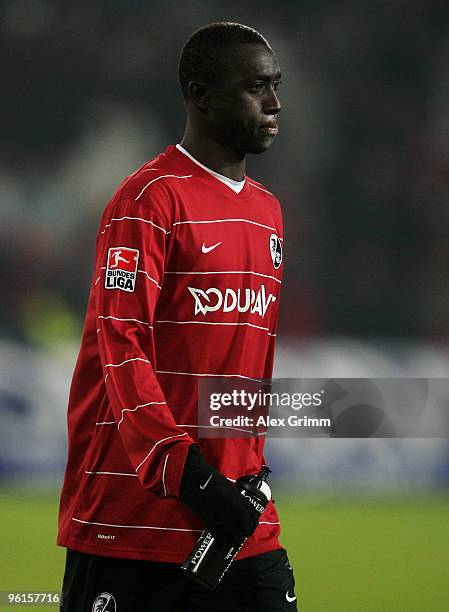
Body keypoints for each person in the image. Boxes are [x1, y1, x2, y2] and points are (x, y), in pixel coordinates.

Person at [57, 21, 298, 611]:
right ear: (201, 94)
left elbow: (246, 366)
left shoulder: (268, 213)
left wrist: (245, 470)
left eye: (276, 85)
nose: (274, 104)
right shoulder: (148, 200)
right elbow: (122, 343)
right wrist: (187, 474)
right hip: (131, 522)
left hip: (238, 521)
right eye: (255, 88)